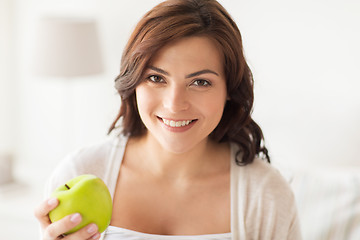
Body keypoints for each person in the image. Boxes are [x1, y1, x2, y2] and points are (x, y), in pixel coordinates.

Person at [34, 0, 302, 239]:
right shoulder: (81, 170)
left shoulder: (265, 197)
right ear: (134, 83)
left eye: (200, 82)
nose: (175, 104)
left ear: (230, 90)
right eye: (156, 78)